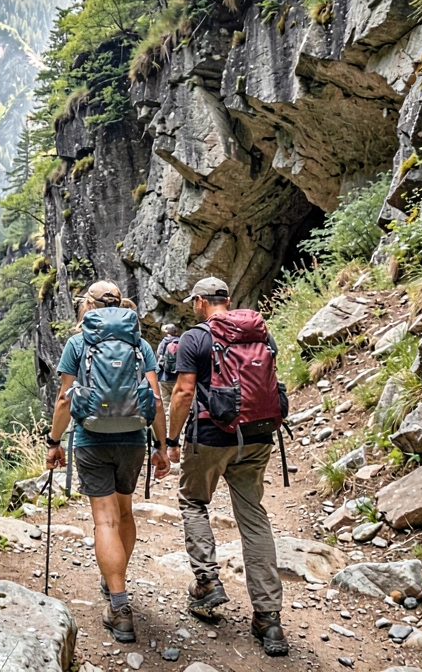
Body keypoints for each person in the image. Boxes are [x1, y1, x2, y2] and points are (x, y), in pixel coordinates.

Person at [161, 276, 288, 657]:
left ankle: (207, 582)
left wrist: (170, 440)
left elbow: (184, 392)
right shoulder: (261, 332)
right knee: (253, 517)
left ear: (200, 302)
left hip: (211, 436)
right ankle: (269, 619)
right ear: (228, 300)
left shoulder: (195, 338)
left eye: (194, 303)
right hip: (258, 434)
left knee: (193, 502)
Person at [45, 281, 167, 643]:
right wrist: (163, 444)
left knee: (105, 521)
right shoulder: (139, 344)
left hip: (91, 439)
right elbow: (156, 400)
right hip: (132, 439)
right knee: (125, 514)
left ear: (88, 305)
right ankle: (116, 580)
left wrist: (54, 442)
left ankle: (119, 605)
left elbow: (64, 401)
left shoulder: (78, 343)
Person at [157, 323, 181, 415]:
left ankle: (167, 427)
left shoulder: (163, 343)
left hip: (163, 378)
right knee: (177, 405)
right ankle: (178, 428)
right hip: (177, 379)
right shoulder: (180, 342)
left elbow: (158, 358)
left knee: (165, 405)